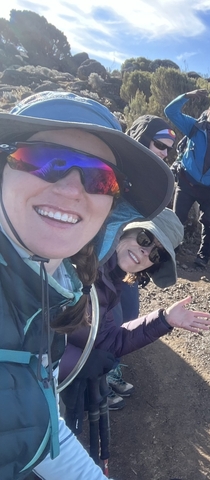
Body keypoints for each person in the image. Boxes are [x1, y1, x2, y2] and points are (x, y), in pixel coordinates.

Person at [0, 91, 173, 478]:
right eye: (45, 160)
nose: (72, 189)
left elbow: (36, 419)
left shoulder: (54, 288)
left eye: (101, 179)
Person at [59, 208, 210, 419]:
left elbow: (109, 341)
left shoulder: (111, 282)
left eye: (156, 254)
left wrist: (164, 319)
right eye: (145, 238)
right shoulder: (78, 261)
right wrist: (79, 364)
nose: (146, 252)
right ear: (126, 229)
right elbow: (39, 334)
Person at [105, 115, 177, 400]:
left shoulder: (155, 179)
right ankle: (96, 382)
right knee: (104, 316)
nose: (165, 152)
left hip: (129, 260)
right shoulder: (113, 168)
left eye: (169, 148)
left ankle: (108, 370)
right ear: (141, 137)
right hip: (101, 257)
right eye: (160, 144)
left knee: (128, 313)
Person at [164, 90, 210, 268]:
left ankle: (203, 258)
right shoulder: (194, 126)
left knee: (209, 223)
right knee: (177, 220)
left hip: (209, 188)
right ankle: (172, 253)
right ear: (208, 112)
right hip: (187, 182)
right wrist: (187, 95)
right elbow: (170, 112)